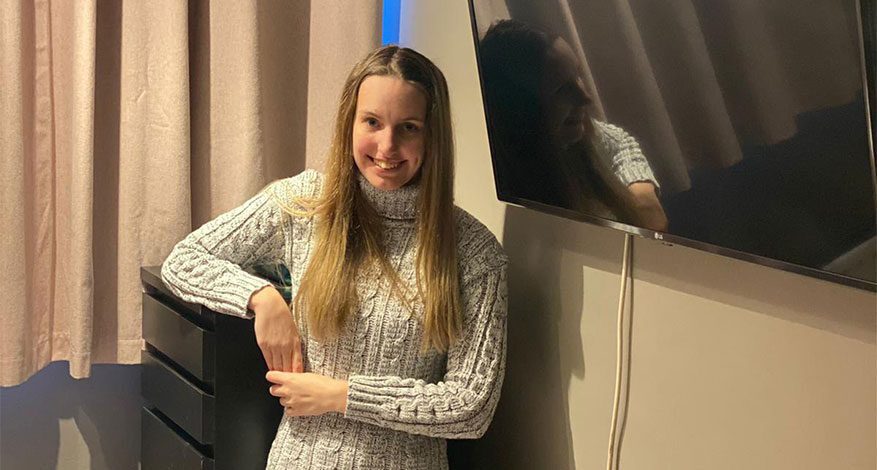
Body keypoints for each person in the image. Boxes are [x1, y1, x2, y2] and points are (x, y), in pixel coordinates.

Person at [161, 46, 508, 469]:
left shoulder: (473, 252)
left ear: (432, 135)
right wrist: (262, 298)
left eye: (409, 127)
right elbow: (186, 259)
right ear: (350, 123)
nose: (387, 145)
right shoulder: (305, 204)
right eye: (373, 122)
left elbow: (471, 406)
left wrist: (339, 395)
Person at [479, 19, 668, 231]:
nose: (585, 97)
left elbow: (653, 219)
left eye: (577, 75)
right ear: (520, 111)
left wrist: (640, 189)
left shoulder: (592, 137)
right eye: (561, 89)